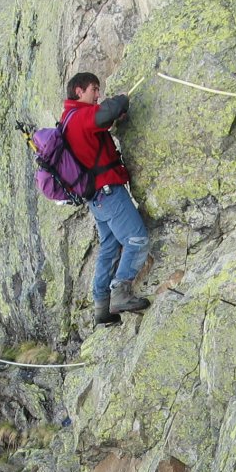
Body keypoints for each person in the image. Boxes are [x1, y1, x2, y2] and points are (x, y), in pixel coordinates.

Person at [61, 71, 151, 325]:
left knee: (109, 248)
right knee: (137, 240)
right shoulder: (80, 116)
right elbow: (105, 113)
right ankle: (120, 292)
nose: (97, 95)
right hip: (108, 191)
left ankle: (101, 307)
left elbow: (100, 124)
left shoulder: (68, 119)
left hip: (96, 197)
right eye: (94, 89)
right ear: (79, 91)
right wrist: (120, 101)